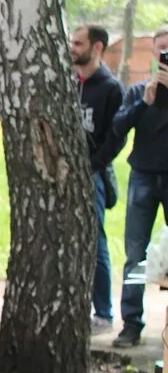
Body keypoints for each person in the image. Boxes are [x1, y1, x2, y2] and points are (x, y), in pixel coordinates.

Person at [113, 26, 168, 348]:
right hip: (143, 176)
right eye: (162, 50)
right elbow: (119, 126)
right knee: (136, 254)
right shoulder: (137, 91)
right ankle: (131, 323)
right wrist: (145, 102)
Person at [70, 24, 125, 336]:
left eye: (79, 43)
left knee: (95, 242)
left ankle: (103, 313)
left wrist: (92, 166)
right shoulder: (70, 83)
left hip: (93, 176)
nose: (73, 48)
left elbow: (115, 138)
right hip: (66, 174)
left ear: (98, 47)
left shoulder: (110, 87)